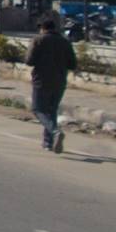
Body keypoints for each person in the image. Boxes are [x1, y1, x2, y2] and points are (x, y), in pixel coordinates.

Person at [25, 16, 77, 154]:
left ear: (42, 28)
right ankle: (48, 142)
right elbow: (73, 64)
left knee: (38, 110)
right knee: (52, 110)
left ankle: (54, 132)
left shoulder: (38, 40)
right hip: (60, 81)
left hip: (41, 80)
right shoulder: (65, 42)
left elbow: (29, 61)